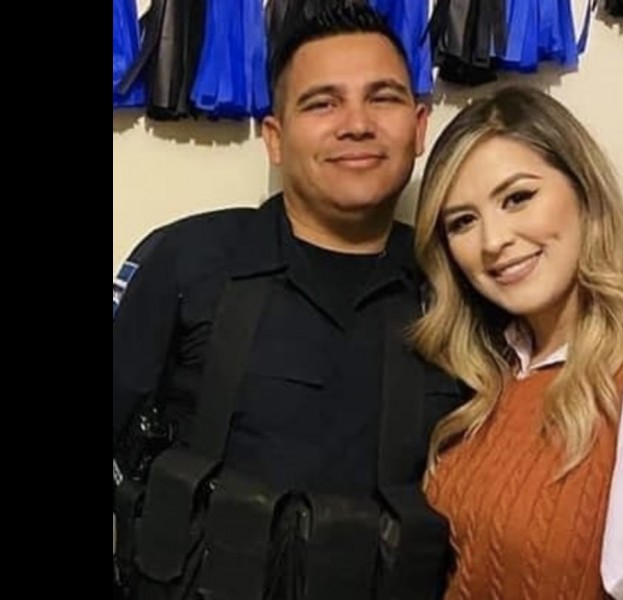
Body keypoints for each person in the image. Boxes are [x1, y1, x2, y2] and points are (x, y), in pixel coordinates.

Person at [112, 4, 464, 599]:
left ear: (420, 124)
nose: (357, 124)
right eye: (322, 103)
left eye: (382, 98)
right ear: (275, 138)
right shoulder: (187, 259)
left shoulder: (462, 285)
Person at [411, 85, 623, 599]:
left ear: (583, 191)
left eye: (518, 198)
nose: (494, 241)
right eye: (463, 222)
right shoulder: (493, 369)